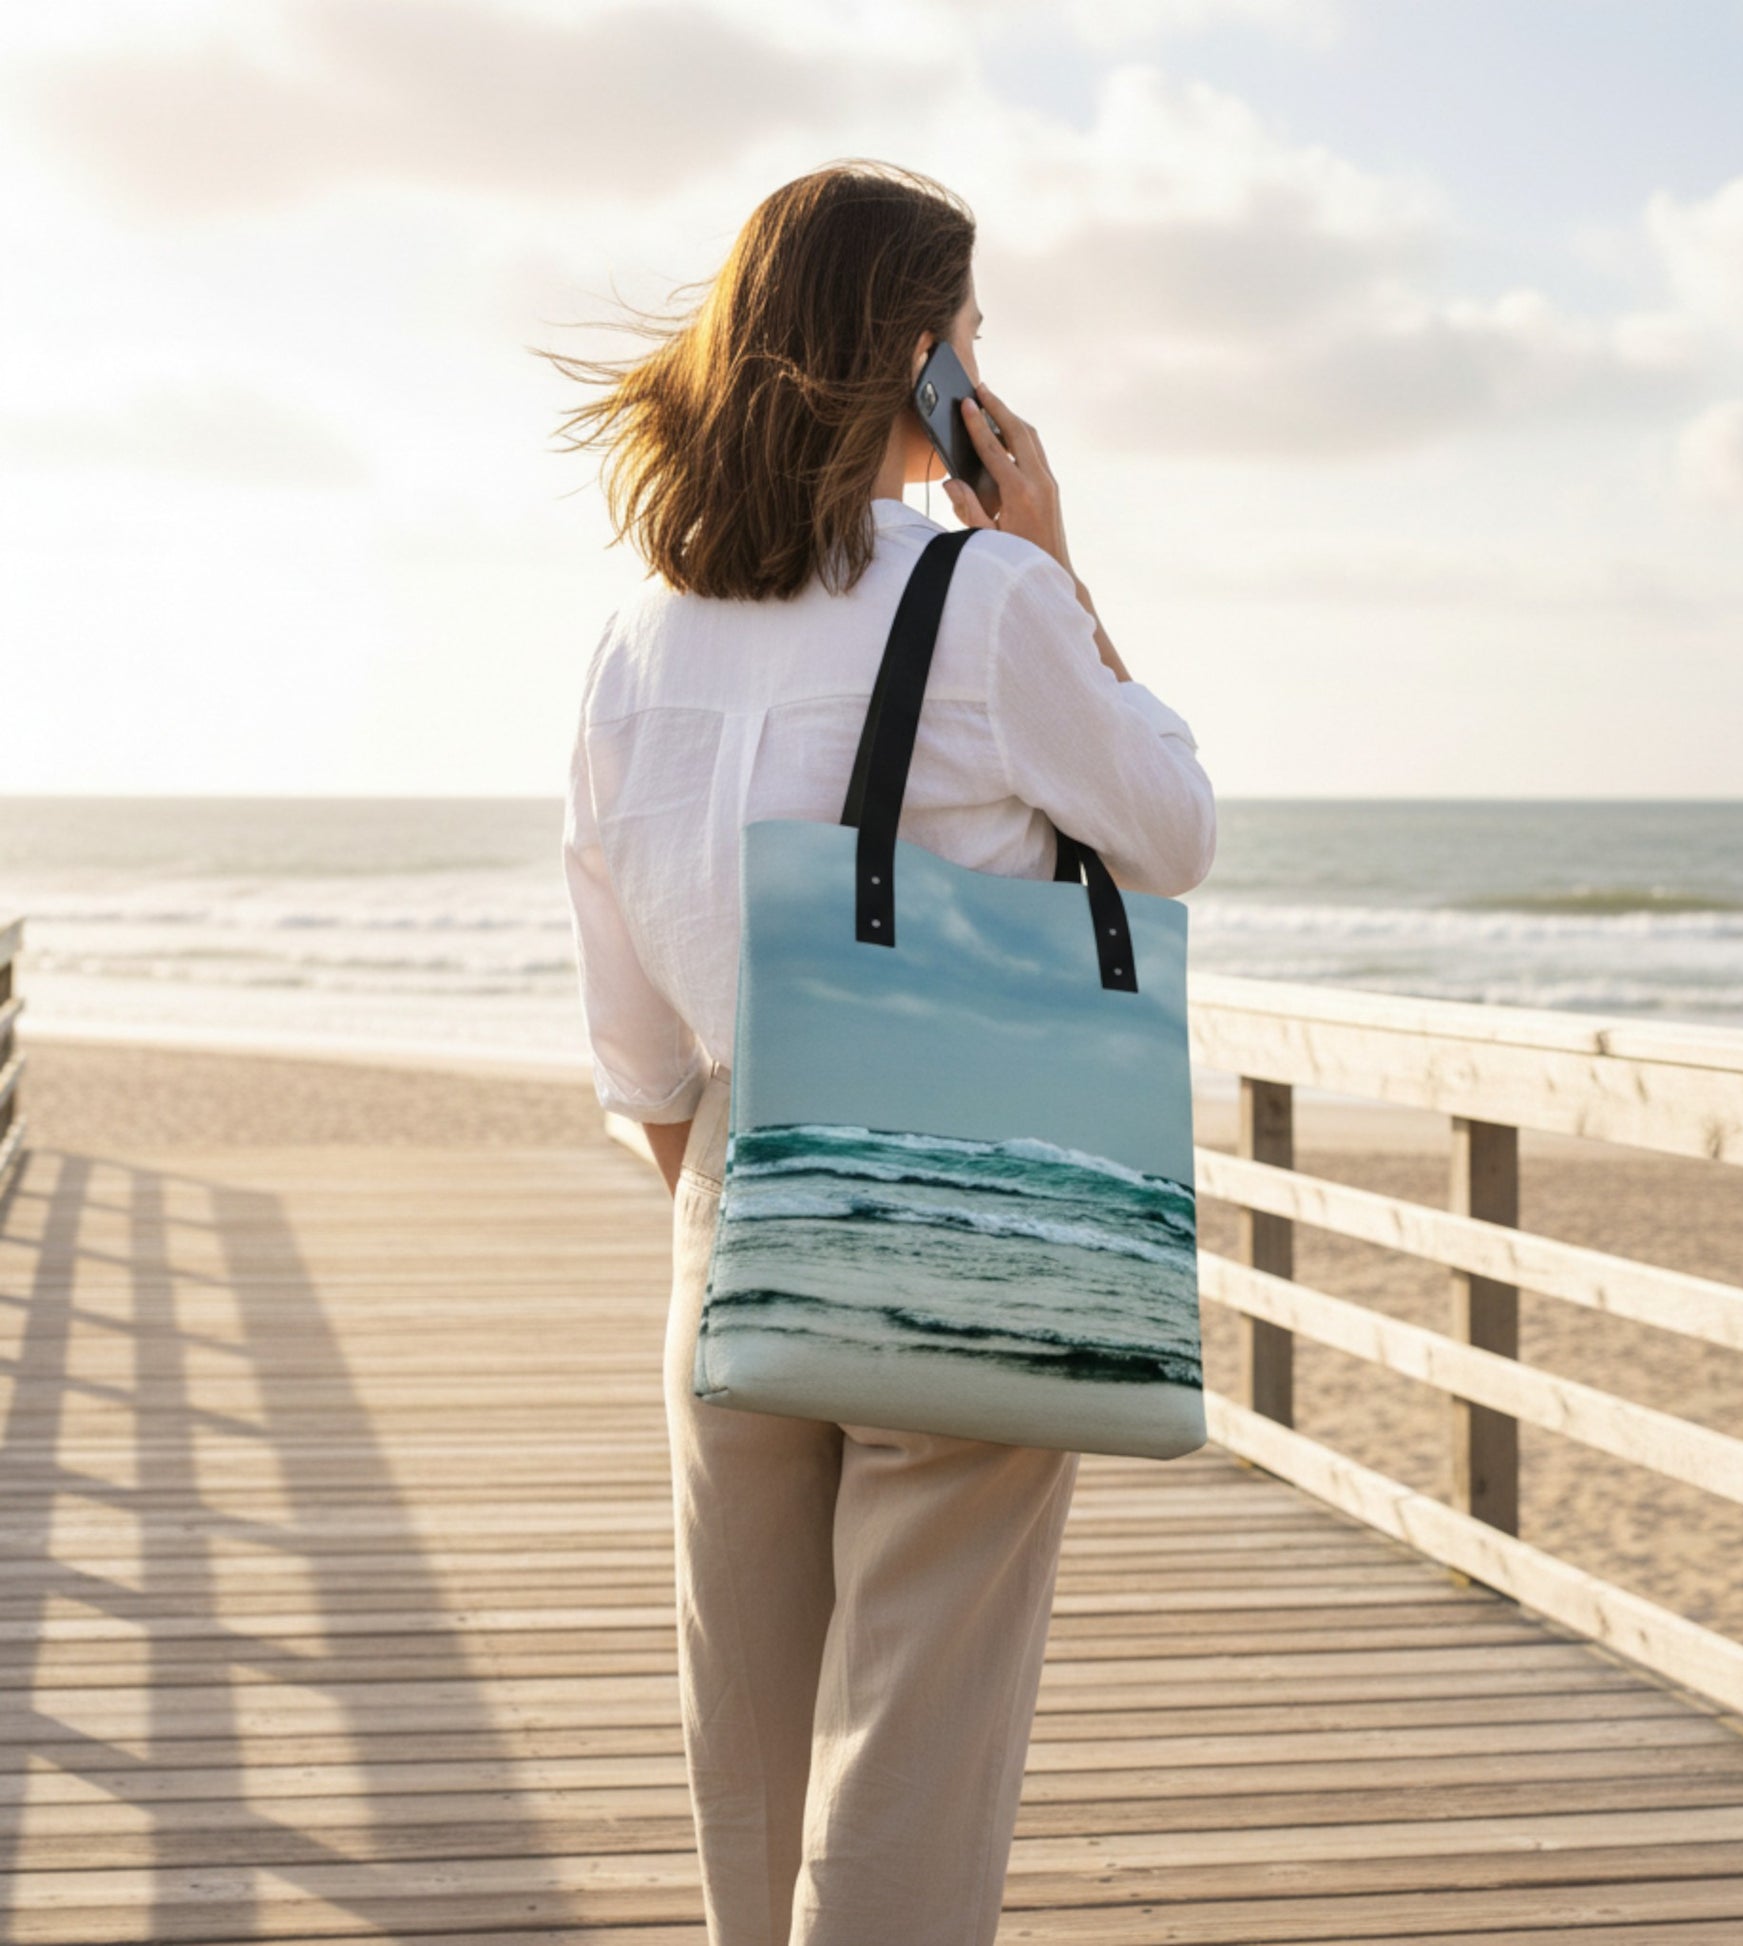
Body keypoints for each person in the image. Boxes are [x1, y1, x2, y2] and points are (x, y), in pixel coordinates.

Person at [552, 161, 1218, 1946]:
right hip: (956, 1205)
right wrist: (1056, 562)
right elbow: (1168, 827)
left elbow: (634, 1047)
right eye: (973, 337)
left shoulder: (631, 637)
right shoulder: (986, 597)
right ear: (918, 359)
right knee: (909, 1750)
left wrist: (738, 1196)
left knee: (748, 1755)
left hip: (731, 1215)